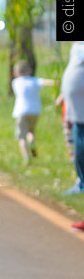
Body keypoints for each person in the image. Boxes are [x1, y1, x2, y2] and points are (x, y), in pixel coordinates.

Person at [56, 41, 84, 214]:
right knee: (78, 143)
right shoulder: (77, 46)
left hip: (81, 107)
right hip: (75, 108)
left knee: (81, 144)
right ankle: (81, 181)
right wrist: (64, 93)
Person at [10, 60, 54, 163]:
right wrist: (56, 82)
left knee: (21, 136)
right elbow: (45, 82)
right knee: (31, 131)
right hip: (35, 111)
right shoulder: (34, 81)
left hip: (21, 111)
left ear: (15, 73)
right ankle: (32, 142)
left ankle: (26, 157)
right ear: (30, 71)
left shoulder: (15, 82)